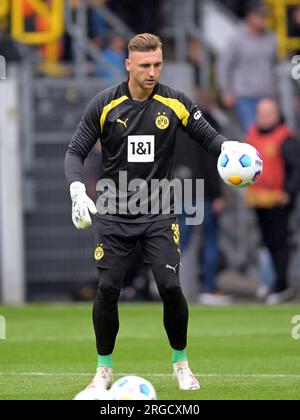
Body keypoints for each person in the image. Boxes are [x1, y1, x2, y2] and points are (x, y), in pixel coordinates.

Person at [65, 33, 235, 394]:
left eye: (157, 64)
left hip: (160, 210)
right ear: (129, 65)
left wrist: (229, 148)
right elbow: (75, 151)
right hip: (113, 211)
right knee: (108, 288)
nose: (152, 72)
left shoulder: (174, 102)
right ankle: (103, 370)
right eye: (145, 65)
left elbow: (206, 134)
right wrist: (77, 188)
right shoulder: (105, 104)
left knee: (170, 286)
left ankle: (181, 363)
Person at [246, 98, 300, 304]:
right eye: (260, 113)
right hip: (258, 199)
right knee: (266, 244)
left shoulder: (285, 138)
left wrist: (289, 192)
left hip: (279, 201)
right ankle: (272, 283)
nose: (263, 117)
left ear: (276, 115)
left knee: (280, 243)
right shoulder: (252, 135)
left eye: (267, 113)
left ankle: (283, 285)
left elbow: (296, 168)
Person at [218, 1, 278, 134]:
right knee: (252, 135)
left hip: (266, 95)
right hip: (244, 96)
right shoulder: (237, 38)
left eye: (264, 16)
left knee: (269, 137)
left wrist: (276, 88)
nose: (263, 19)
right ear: (250, 16)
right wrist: (226, 91)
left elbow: (275, 67)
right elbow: (224, 65)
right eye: (259, 15)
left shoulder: (271, 38)